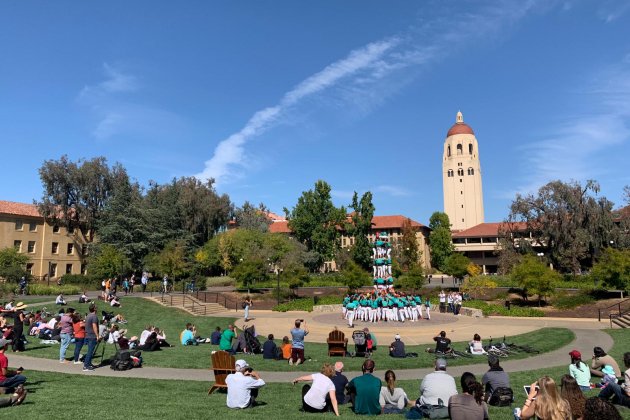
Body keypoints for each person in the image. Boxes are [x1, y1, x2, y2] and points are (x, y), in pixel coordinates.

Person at [83, 304, 100, 372]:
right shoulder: (94, 316)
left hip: (88, 335)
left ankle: (89, 364)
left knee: (90, 350)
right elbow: (94, 326)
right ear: (94, 309)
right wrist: (97, 335)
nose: (97, 308)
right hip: (92, 336)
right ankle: (86, 366)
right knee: (90, 351)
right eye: (96, 307)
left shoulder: (88, 316)